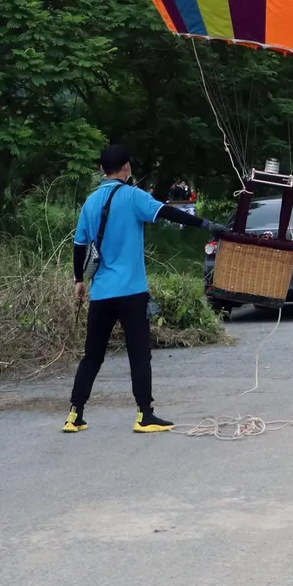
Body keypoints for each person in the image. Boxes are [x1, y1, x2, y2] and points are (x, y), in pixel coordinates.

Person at [65, 143, 225, 434]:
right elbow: (167, 213)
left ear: (102, 170)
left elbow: (79, 247)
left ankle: (74, 415)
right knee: (139, 354)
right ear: (126, 168)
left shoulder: (89, 203)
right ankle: (145, 415)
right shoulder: (133, 196)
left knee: (92, 355)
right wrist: (205, 223)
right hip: (131, 292)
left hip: (100, 292)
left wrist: (79, 280)